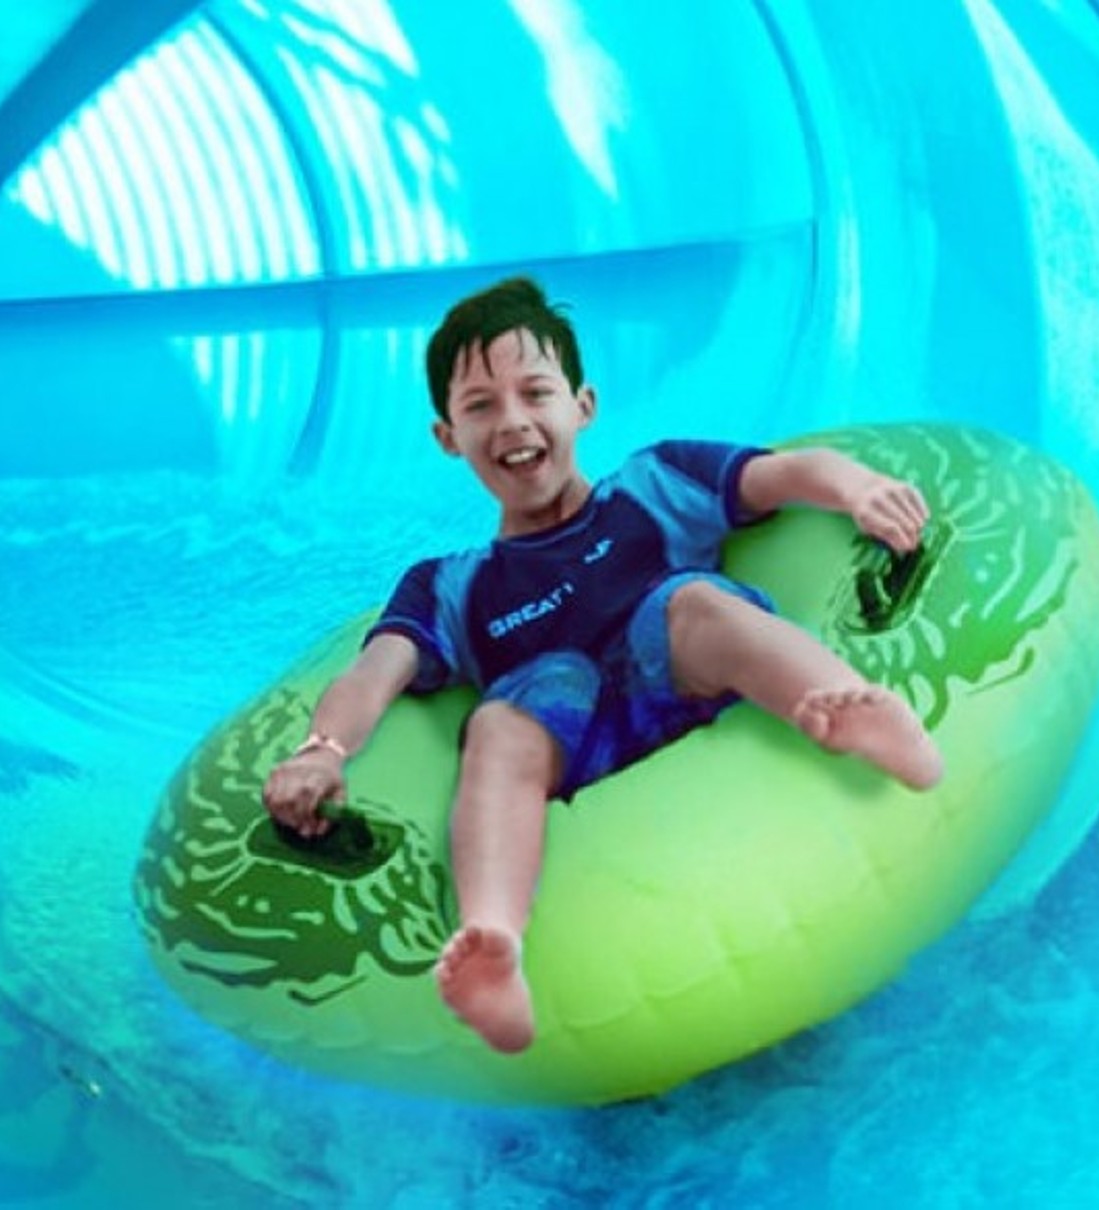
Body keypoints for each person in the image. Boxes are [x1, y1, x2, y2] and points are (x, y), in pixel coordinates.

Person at [262, 276, 943, 1055]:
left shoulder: (655, 484)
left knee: (693, 604)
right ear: (447, 435)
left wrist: (861, 489)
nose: (512, 421)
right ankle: (492, 942)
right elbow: (373, 673)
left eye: (534, 392)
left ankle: (841, 705)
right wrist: (322, 752)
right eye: (480, 406)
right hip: (565, 730)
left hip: (679, 670)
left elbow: (785, 472)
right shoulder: (449, 585)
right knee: (501, 723)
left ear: (581, 405)